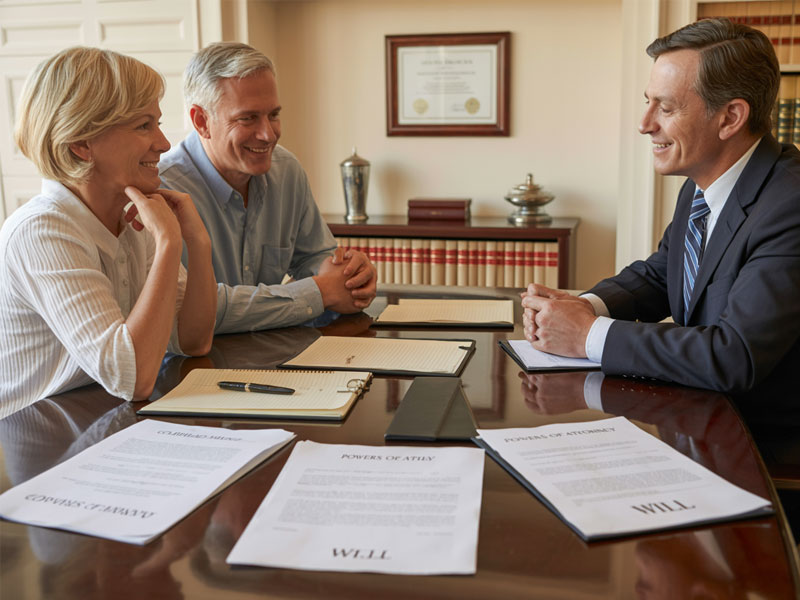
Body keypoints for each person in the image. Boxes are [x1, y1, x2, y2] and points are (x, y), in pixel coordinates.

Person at [521, 18, 800, 394]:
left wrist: (587, 335)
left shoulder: (790, 204)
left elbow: (734, 356)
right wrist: (584, 306)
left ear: (730, 118)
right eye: (647, 102)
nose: (643, 124)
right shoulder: (702, 186)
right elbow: (662, 275)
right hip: (699, 417)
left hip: (760, 443)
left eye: (665, 108)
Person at [0, 47, 217, 415]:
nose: (164, 144)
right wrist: (167, 243)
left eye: (158, 123)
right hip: (35, 441)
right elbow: (132, 379)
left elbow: (194, 341)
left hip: (97, 418)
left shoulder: (132, 214)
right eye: (143, 125)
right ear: (82, 144)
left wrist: (197, 242)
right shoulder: (41, 231)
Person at [159, 42, 377, 334]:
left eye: (273, 115)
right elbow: (191, 311)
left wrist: (348, 278)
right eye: (248, 118)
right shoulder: (162, 191)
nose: (268, 134)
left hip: (273, 355)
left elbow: (312, 258)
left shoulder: (286, 170)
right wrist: (321, 292)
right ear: (201, 121)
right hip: (191, 370)